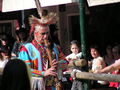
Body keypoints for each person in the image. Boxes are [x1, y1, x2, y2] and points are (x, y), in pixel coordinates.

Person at [18, 10, 68, 90]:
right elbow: (23, 70)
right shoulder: (26, 49)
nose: (45, 36)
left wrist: (58, 64)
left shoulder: (54, 47)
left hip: (55, 86)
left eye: (47, 33)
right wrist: (43, 73)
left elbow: (65, 62)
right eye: (42, 34)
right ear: (35, 33)